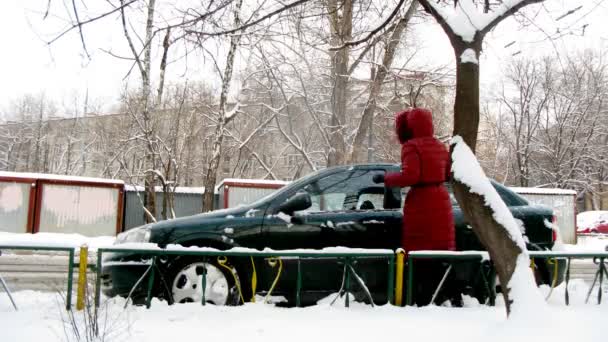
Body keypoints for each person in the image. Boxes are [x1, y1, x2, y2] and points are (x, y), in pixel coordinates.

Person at [373, 107, 456, 306]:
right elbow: (447, 174)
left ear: (409, 126)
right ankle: (442, 296)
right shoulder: (440, 145)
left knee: (418, 254)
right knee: (439, 253)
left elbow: (411, 176)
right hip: (442, 202)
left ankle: (418, 298)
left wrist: (385, 178)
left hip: (422, 203)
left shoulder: (411, 146)